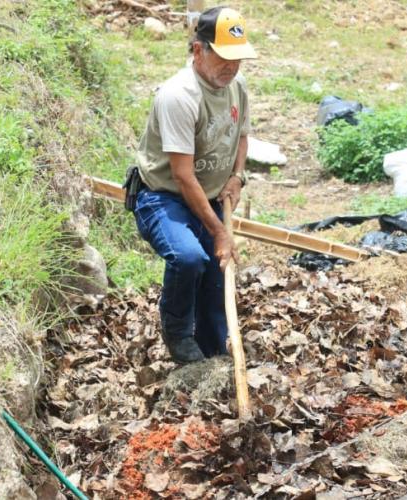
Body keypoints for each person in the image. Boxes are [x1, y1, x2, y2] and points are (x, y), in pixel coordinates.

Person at [132, 6, 257, 363]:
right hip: (164, 196)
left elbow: (242, 135)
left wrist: (236, 176)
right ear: (198, 50)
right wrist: (219, 230)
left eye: (238, 59)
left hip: (211, 194)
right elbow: (183, 176)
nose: (231, 67)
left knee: (216, 278)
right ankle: (177, 333)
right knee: (189, 258)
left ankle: (213, 350)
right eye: (223, 57)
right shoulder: (179, 96)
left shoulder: (237, 86)